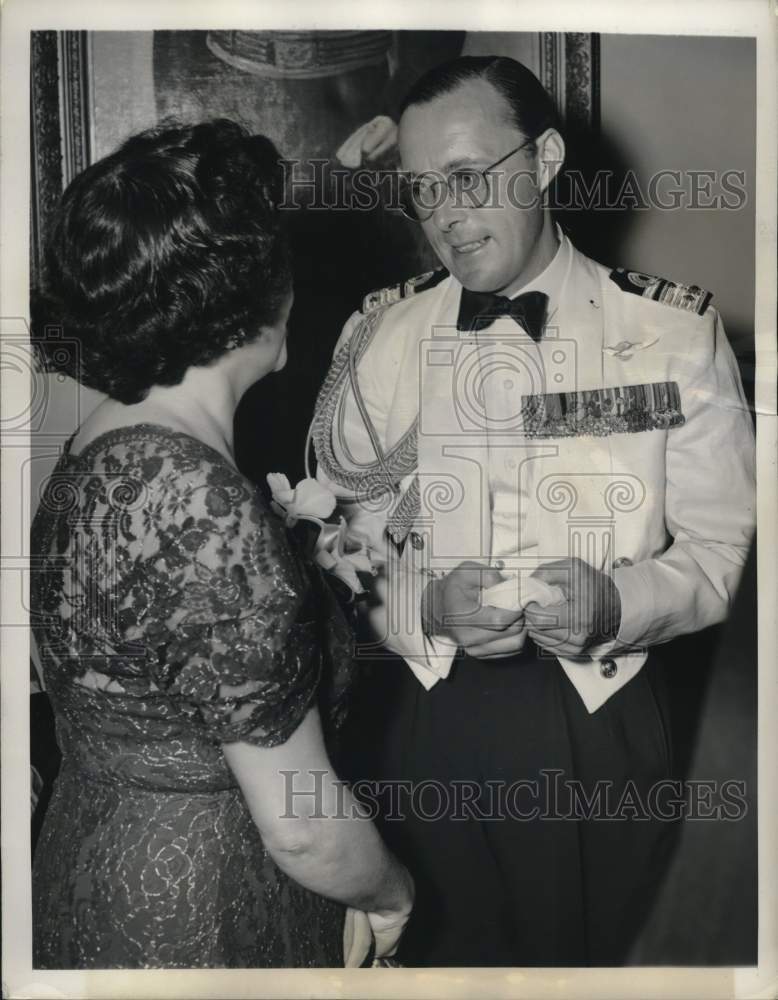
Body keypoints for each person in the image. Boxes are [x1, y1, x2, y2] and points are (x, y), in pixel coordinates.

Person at [311, 56, 756, 966]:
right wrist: (424, 606)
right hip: (426, 721)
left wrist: (622, 604)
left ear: (546, 157)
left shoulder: (670, 334)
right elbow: (336, 539)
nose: (444, 213)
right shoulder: (379, 337)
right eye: (422, 190)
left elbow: (728, 549)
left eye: (468, 178)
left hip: (605, 719)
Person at [29, 120, 413, 969]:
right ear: (254, 294)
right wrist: (394, 895)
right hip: (199, 904)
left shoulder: (97, 443)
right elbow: (305, 828)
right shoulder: (209, 507)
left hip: (84, 859)